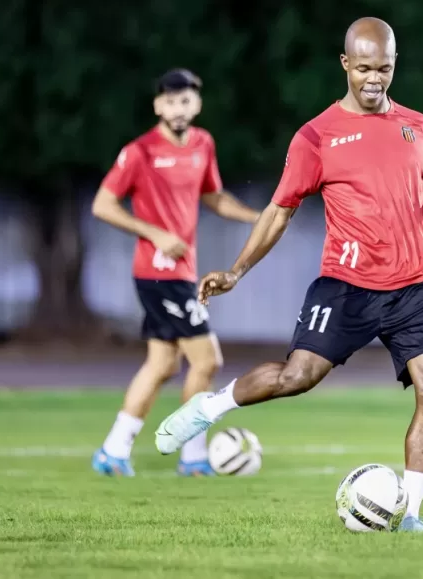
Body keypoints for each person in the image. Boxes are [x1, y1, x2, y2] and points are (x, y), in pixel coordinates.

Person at [153, 18, 423, 530]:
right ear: (345, 64)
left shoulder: (419, 127)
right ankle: (209, 408)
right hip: (346, 285)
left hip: (414, 283)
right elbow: (279, 212)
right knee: (297, 377)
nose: (374, 79)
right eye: (363, 67)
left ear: (394, 66)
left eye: (383, 68)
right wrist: (235, 272)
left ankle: (410, 513)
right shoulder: (316, 137)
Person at [90, 69, 261, 477]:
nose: (177, 108)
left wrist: (261, 218)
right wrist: (154, 233)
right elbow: (103, 205)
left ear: (197, 104)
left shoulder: (204, 144)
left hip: (183, 272)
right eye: (169, 101)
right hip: (157, 272)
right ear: (157, 105)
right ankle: (193, 455)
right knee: (207, 359)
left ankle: (113, 451)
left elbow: (214, 197)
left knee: (163, 365)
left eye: (185, 101)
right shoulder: (140, 152)